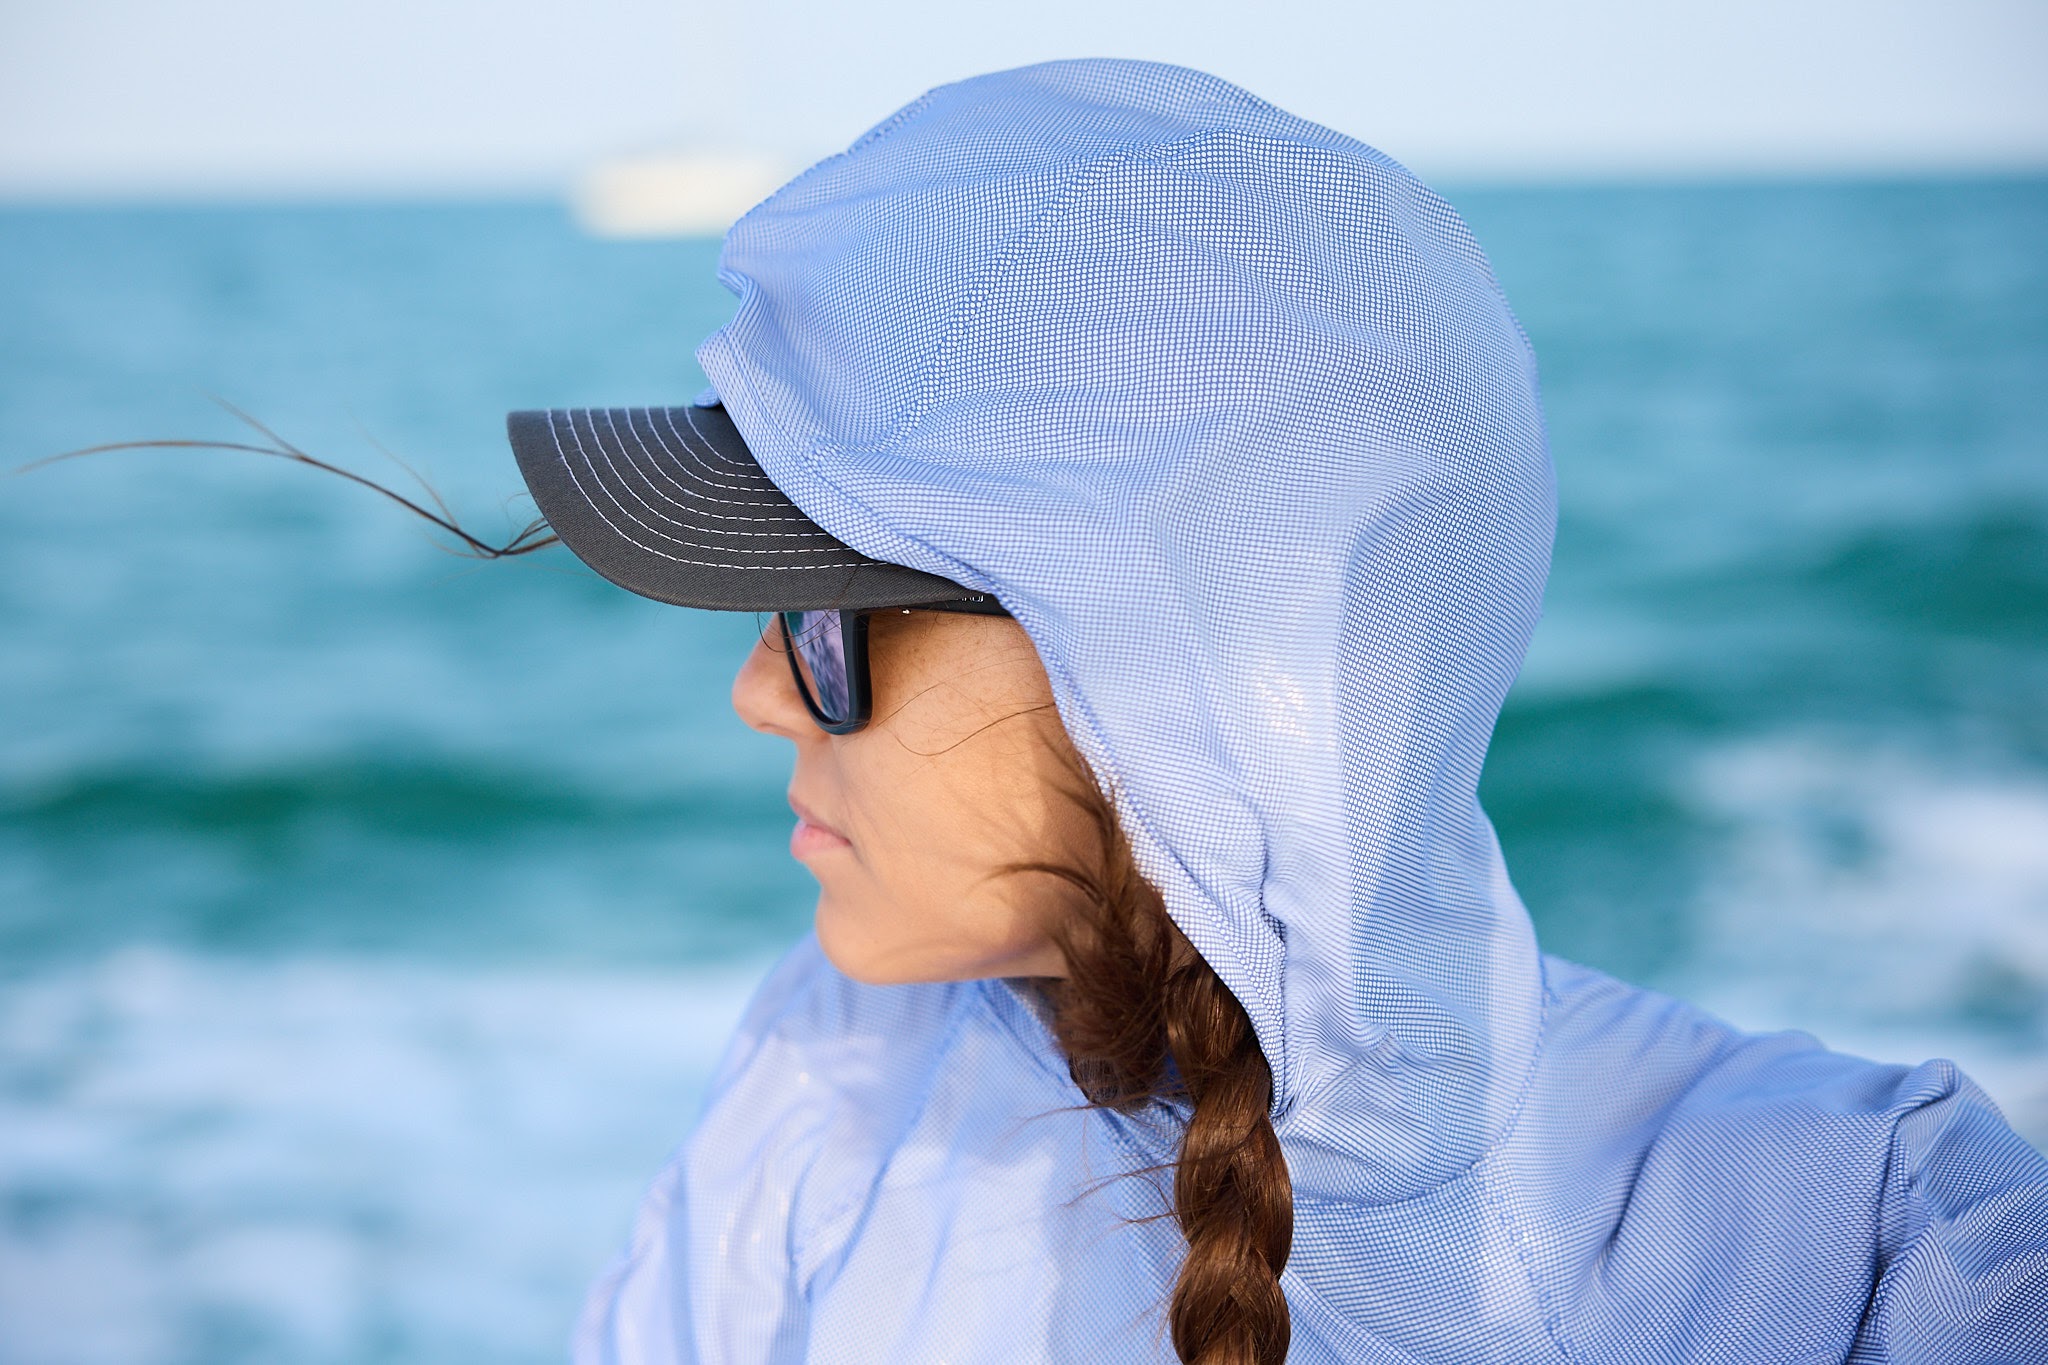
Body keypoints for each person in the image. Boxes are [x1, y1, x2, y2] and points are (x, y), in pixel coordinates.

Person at [499, 59, 2048, 1365]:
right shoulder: (835, 1058)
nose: (758, 691)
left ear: (1162, 676)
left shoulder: (1869, 1243)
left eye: (823, 623)